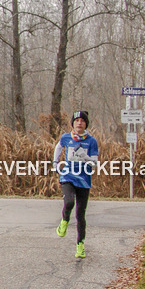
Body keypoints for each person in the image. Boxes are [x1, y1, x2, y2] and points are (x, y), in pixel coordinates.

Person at [53, 110, 99, 259]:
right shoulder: (67, 137)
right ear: (73, 123)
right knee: (69, 202)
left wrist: (84, 156)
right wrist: (55, 162)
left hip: (84, 180)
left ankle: (80, 245)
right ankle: (64, 220)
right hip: (68, 176)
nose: (79, 123)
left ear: (86, 124)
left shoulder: (91, 141)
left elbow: (94, 164)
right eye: (77, 120)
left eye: (82, 121)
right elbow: (58, 147)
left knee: (80, 214)